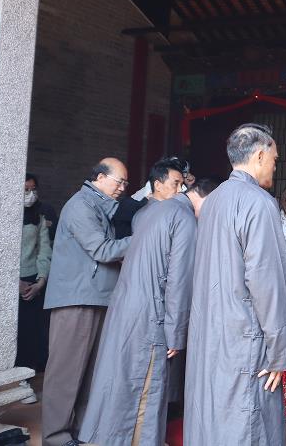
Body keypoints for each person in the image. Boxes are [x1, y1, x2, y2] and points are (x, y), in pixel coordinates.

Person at [78, 168, 212, 446]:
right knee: (145, 388)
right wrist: (176, 331)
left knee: (119, 380)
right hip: (150, 314)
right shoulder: (183, 218)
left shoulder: (148, 211)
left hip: (125, 306)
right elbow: (178, 280)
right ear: (206, 198)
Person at [184, 123, 286, 446]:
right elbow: (266, 282)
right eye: (274, 159)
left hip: (211, 329)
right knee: (248, 421)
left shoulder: (213, 200)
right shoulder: (258, 202)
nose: (275, 165)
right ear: (259, 156)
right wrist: (279, 352)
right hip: (246, 332)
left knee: (215, 414)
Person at [41, 158, 132, 446]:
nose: (122, 188)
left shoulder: (100, 206)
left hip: (95, 296)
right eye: (119, 181)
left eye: (125, 183)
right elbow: (102, 250)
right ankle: (56, 437)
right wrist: (143, 237)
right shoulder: (81, 206)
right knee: (66, 372)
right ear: (100, 178)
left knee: (89, 372)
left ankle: (80, 431)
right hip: (76, 299)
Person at [16, 173, 53, 372]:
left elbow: (44, 250)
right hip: (12, 279)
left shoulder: (39, 215)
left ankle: (27, 372)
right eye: (25, 190)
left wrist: (41, 281)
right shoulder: (4, 215)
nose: (30, 194)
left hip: (32, 280)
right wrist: (14, 282)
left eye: (33, 189)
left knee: (31, 330)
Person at [113, 157, 188, 238]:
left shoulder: (177, 213)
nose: (180, 190)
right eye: (175, 184)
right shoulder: (131, 208)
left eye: (181, 185)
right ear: (158, 185)